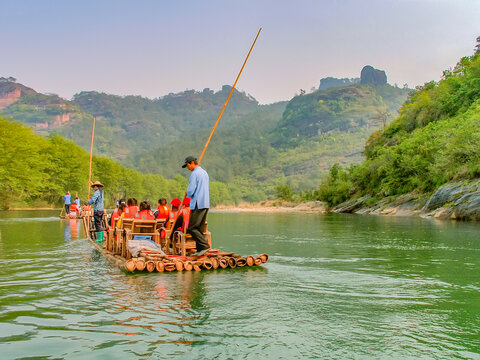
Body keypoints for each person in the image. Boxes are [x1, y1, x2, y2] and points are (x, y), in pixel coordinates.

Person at [182, 156, 210, 256]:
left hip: (198, 203)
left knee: (192, 228)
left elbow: (191, 190)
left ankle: (205, 246)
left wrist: (187, 192)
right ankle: (200, 250)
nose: (188, 168)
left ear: (191, 163)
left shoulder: (194, 174)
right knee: (199, 228)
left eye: (187, 166)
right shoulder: (204, 173)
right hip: (205, 203)